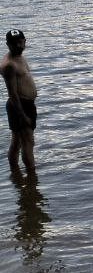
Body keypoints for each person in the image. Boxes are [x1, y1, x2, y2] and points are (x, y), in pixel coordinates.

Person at [3, 29, 37, 171]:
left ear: (24, 41)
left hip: (27, 104)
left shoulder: (20, 57)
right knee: (28, 142)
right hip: (19, 106)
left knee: (17, 141)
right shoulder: (9, 65)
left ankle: (15, 173)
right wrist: (23, 115)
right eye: (14, 43)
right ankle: (32, 178)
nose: (18, 46)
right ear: (8, 44)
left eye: (20, 42)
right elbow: (13, 94)